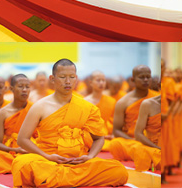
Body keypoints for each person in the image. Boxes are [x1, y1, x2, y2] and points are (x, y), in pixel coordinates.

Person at [12, 59, 128, 187]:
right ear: (52, 78)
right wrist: (47, 156)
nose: (68, 81)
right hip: (47, 160)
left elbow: (99, 139)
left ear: (76, 78)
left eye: (72, 77)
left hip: (78, 161)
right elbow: (22, 139)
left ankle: (58, 180)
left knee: (119, 171)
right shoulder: (40, 106)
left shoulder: (86, 107)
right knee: (24, 164)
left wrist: (90, 157)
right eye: (62, 77)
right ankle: (65, 179)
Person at [108, 66, 155, 163]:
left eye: (148, 77)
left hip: (153, 138)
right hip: (133, 141)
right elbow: (116, 131)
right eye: (142, 77)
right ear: (133, 80)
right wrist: (134, 139)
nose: (146, 80)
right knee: (115, 144)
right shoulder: (123, 102)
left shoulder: (157, 97)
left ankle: (148, 154)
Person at [83, 71, 115, 150]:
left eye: (103, 80)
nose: (101, 83)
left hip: (107, 135)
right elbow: (83, 124)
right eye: (98, 80)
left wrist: (111, 134)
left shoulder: (111, 101)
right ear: (90, 82)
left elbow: (113, 122)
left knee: (116, 143)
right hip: (91, 136)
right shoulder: (85, 101)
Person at [131, 95, 161, 172]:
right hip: (153, 148)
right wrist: (157, 148)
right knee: (139, 150)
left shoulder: (173, 101)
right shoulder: (148, 104)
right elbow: (138, 134)